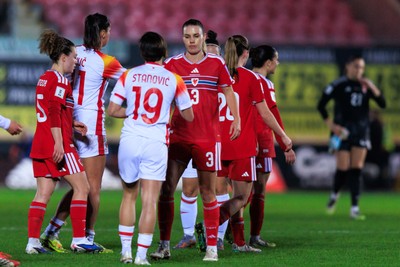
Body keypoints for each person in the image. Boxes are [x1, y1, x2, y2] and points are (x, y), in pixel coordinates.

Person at [150, 19, 241, 262]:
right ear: (182, 39)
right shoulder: (172, 65)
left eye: (196, 35)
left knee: (207, 192)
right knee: (167, 189)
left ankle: (212, 246)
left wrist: (236, 118)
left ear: (203, 38)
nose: (192, 40)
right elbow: (161, 96)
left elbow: (229, 91)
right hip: (179, 137)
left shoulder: (216, 63)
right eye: (187, 36)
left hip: (207, 139)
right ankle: (164, 245)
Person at [40, 13, 126, 252]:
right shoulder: (106, 61)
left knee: (79, 186)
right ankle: (86, 237)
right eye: (108, 31)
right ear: (102, 34)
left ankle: (52, 230)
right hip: (90, 125)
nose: (109, 35)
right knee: (92, 187)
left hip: (69, 121)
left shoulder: (72, 52)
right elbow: (134, 79)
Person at [107, 31, 194, 265]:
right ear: (163, 53)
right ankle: (141, 256)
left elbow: (112, 110)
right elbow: (189, 115)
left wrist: (134, 111)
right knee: (150, 200)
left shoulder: (129, 75)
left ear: (143, 52)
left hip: (130, 139)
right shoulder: (174, 79)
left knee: (128, 196)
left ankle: (125, 251)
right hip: (156, 142)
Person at [26, 29, 102, 254]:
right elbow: (53, 112)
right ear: (63, 58)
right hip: (57, 144)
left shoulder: (44, 79)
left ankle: (32, 243)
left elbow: (55, 112)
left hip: (40, 142)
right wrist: (60, 142)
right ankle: (79, 239)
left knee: (43, 194)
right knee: (83, 187)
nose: (76, 63)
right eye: (73, 58)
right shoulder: (60, 80)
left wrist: (73, 123)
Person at [217, 35, 292, 253]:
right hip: (243, 143)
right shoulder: (251, 78)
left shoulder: (217, 75)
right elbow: (266, 113)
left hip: (220, 143)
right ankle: (211, 226)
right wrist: (283, 137)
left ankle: (237, 241)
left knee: (225, 193)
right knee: (244, 196)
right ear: (246, 53)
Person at [317, 55, 386, 220]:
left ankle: (354, 207)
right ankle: (335, 193)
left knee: (357, 169)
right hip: (341, 132)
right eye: (356, 66)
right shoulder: (338, 84)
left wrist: (372, 86)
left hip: (361, 131)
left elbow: (382, 103)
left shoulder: (365, 86)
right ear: (348, 66)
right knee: (342, 168)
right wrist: (332, 126)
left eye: (362, 67)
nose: (359, 70)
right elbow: (321, 105)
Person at [174, 29, 224, 250]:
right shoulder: (184, 67)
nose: (211, 54)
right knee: (189, 189)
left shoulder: (222, 73)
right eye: (209, 50)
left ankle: (219, 236)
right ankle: (188, 235)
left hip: (215, 138)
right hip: (187, 136)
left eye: (215, 51)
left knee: (218, 189)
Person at [249, 45, 296, 248]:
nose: (278, 63)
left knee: (238, 193)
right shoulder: (265, 84)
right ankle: (252, 236)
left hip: (241, 140)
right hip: (261, 141)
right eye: (276, 59)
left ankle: (225, 233)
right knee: (257, 191)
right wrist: (285, 142)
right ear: (268, 63)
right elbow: (272, 114)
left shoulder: (241, 77)